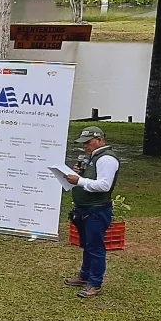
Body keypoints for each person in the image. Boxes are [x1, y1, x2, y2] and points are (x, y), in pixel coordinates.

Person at [63, 126, 121, 298]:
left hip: (96, 209)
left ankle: (95, 283)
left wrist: (79, 180)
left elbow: (104, 185)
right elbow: (93, 179)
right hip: (87, 208)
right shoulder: (94, 157)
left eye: (88, 143)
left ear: (99, 140)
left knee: (95, 247)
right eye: (84, 144)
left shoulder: (106, 159)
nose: (85, 147)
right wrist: (80, 174)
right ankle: (85, 276)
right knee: (88, 245)